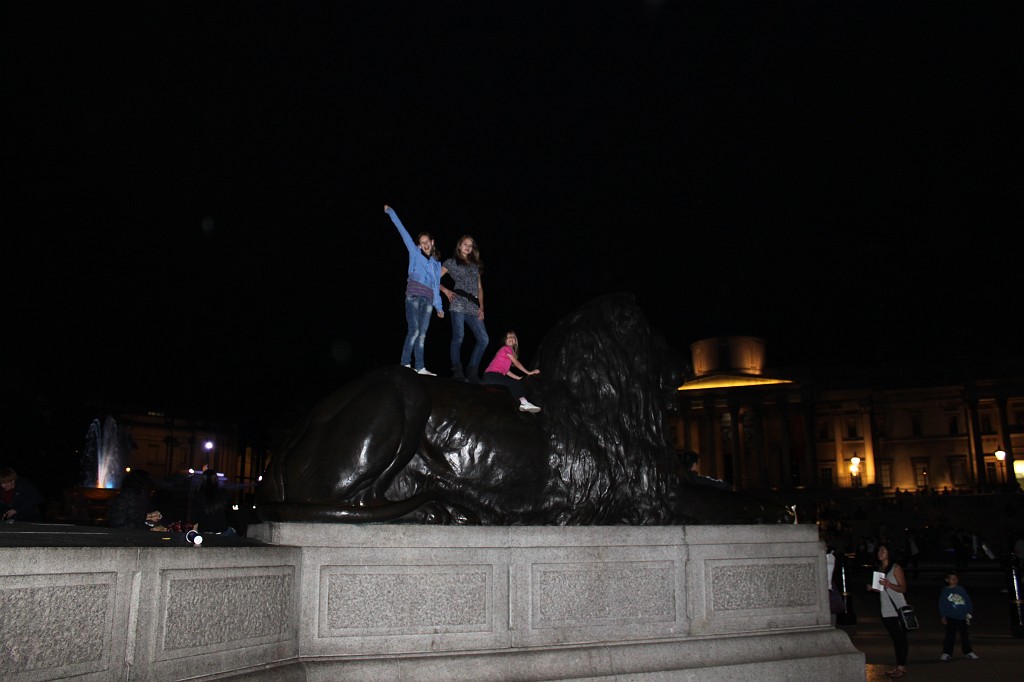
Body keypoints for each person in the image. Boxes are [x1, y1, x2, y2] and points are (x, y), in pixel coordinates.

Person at [384, 204, 445, 376]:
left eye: (427, 242)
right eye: (422, 242)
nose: (425, 244)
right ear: (419, 244)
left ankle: (420, 367)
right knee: (414, 330)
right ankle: (405, 363)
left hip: (427, 301)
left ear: (432, 243)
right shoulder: (415, 252)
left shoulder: (436, 264)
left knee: (423, 335)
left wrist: (439, 307)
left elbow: (435, 286)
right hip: (413, 297)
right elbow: (402, 231)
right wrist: (391, 212)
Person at [441, 234, 488, 383]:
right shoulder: (451, 262)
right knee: (459, 336)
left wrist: (481, 307)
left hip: (474, 305)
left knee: (484, 339)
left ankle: (473, 372)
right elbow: (433, 278)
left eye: (470, 245)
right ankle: (457, 371)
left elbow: (480, 288)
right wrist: (446, 291)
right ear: (459, 246)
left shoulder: (475, 266)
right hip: (459, 301)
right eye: (465, 244)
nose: (468, 247)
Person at [867, 543, 909, 678]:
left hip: (897, 607)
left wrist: (888, 584)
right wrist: (872, 588)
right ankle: (899, 666)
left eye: (883, 550)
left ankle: (901, 668)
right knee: (895, 638)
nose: (880, 552)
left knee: (900, 639)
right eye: (879, 550)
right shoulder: (880, 569)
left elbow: (903, 589)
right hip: (886, 608)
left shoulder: (895, 568)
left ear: (889, 553)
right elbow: (881, 590)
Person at [481, 330, 541, 412]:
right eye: (508, 337)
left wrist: (519, 378)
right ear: (505, 341)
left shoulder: (507, 352)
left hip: (491, 377)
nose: (510, 338)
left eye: (512, 336)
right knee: (515, 384)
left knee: (514, 383)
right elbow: (516, 363)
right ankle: (524, 404)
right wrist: (529, 372)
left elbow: (507, 371)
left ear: (515, 340)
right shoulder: (506, 348)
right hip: (492, 375)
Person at [938, 569, 978, 661]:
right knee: (950, 636)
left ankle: (968, 651)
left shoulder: (961, 589)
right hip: (951, 617)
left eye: (955, 578)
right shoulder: (945, 591)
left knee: (965, 635)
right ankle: (947, 652)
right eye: (952, 578)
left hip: (962, 616)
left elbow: (967, 601)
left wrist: (969, 612)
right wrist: (943, 615)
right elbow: (942, 604)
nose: (954, 580)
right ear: (947, 580)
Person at [190, 469, 235, 535]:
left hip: (204, 531)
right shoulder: (224, 493)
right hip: (222, 530)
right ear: (216, 479)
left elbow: (194, 519)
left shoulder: (198, 494)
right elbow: (230, 513)